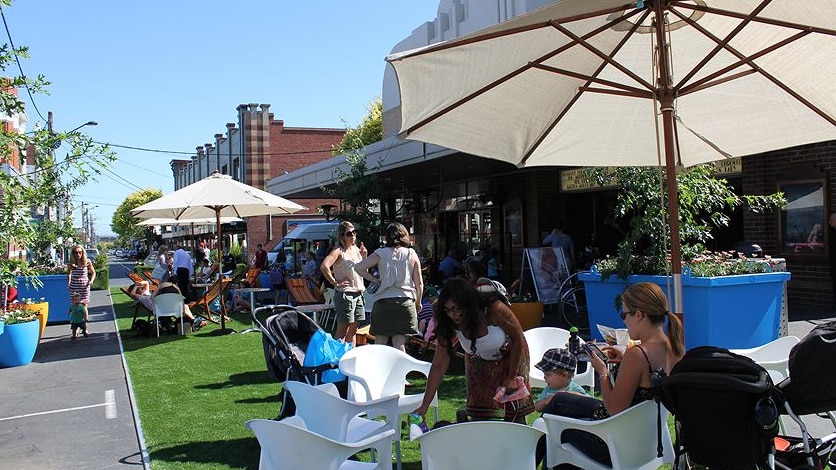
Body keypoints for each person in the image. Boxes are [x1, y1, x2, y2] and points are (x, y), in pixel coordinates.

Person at [540, 282, 684, 467]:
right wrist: (625, 362)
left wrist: (603, 372)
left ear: (638, 314)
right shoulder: (674, 349)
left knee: (552, 430)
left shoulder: (639, 354)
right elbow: (644, 388)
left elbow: (614, 408)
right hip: (646, 440)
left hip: (616, 446)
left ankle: (526, 460)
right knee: (559, 400)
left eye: (624, 315)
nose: (623, 320)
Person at [414, 276, 534, 423]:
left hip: (511, 353)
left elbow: (518, 339)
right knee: (480, 410)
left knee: (513, 410)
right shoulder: (448, 323)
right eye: (448, 310)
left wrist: (512, 377)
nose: (453, 315)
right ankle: (473, 426)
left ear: (468, 305)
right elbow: (439, 365)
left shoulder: (494, 310)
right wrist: (424, 406)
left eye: (457, 309)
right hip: (477, 358)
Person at [353, 222, 423, 352]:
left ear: (387, 237)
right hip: (405, 302)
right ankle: (400, 371)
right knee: (399, 343)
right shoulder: (411, 254)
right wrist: (418, 302)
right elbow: (419, 283)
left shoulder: (380, 253)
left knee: (380, 343)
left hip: (383, 303)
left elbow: (358, 268)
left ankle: (379, 371)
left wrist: (374, 279)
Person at [320, 221, 368, 344]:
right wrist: (335, 282)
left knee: (354, 329)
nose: (353, 236)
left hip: (358, 293)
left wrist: (364, 257)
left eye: (354, 232)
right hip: (345, 295)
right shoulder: (339, 250)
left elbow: (364, 272)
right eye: (349, 234)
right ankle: (335, 358)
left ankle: (349, 357)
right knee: (343, 330)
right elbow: (324, 266)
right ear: (342, 236)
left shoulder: (357, 249)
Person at [533, 348, 588, 413]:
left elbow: (589, 402)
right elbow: (537, 408)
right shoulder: (548, 390)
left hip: (567, 421)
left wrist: (572, 395)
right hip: (549, 421)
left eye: (548, 375)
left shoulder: (575, 389)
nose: (544, 377)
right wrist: (546, 401)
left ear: (563, 375)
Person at [67, 244, 95, 336]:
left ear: (83, 253)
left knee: (83, 308)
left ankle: (85, 327)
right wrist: (69, 283)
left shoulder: (87, 261)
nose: (78, 254)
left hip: (84, 286)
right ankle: (76, 327)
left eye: (80, 252)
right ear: (73, 254)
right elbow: (69, 274)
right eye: (76, 253)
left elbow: (93, 272)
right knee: (75, 308)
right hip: (74, 286)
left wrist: (91, 281)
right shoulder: (71, 263)